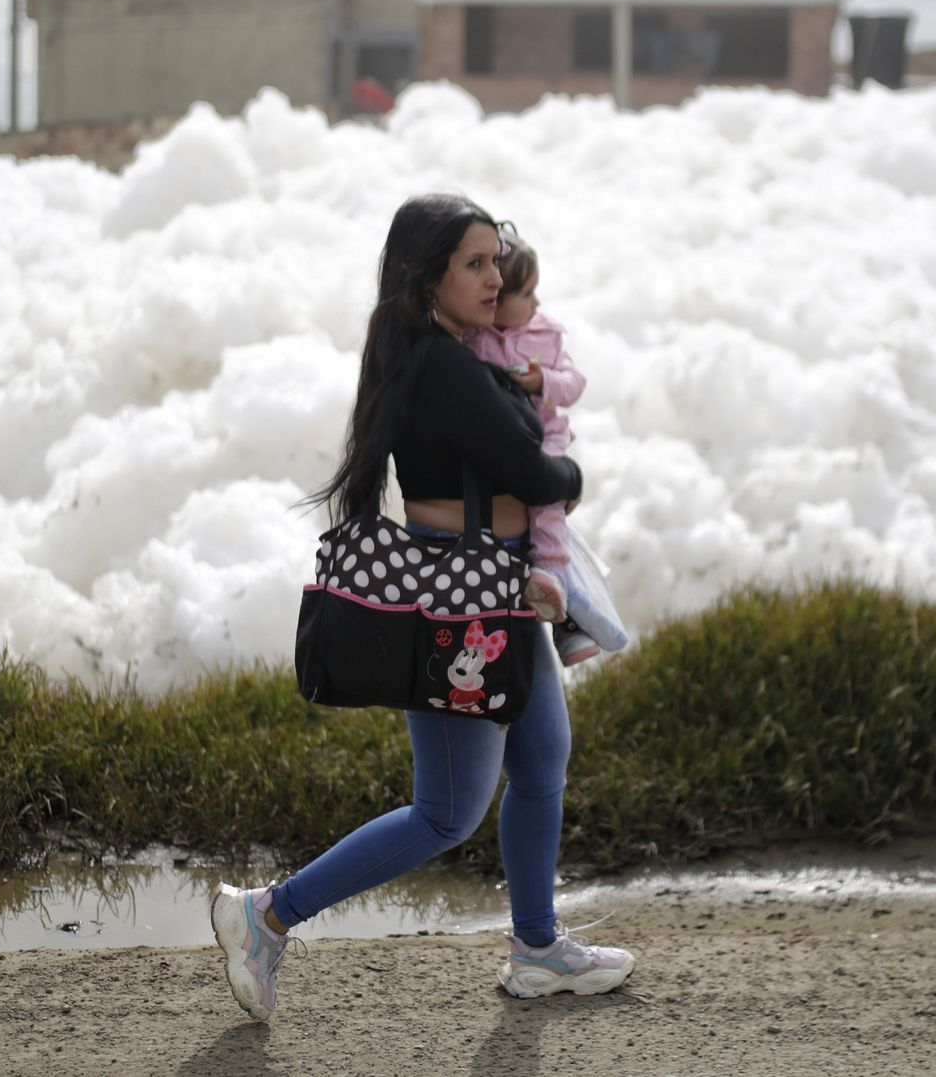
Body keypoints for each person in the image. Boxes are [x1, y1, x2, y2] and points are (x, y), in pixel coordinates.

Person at [210, 193, 636, 1021]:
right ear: (427, 276)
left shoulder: (453, 353)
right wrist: (572, 477)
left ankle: (538, 948)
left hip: (499, 583)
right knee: (446, 812)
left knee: (542, 762)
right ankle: (265, 915)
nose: (495, 277)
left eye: (495, 261)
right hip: (461, 597)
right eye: (474, 264)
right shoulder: (441, 365)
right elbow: (532, 470)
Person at [464, 232, 621, 667]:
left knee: (546, 504)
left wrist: (542, 382)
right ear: (497, 298)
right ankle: (565, 614)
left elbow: (575, 383)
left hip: (545, 437)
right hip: (500, 448)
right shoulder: (473, 339)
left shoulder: (545, 334)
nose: (536, 303)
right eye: (526, 294)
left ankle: (551, 573)